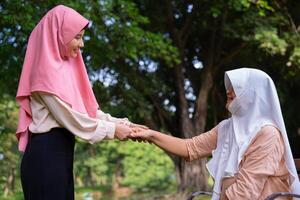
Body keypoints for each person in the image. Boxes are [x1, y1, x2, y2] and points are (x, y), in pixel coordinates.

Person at [16, 5, 146, 200]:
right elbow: (74, 119)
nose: (82, 44)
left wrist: (123, 124)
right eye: (77, 37)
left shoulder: (65, 72)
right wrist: (114, 131)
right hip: (45, 158)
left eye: (82, 36)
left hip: (61, 155)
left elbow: (87, 111)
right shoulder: (43, 76)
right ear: (58, 35)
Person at [131, 68, 300, 200]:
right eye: (229, 87)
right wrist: (151, 134)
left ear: (253, 93)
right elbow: (189, 148)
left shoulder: (267, 134)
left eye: (236, 87)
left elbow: (245, 194)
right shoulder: (227, 128)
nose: (228, 91)